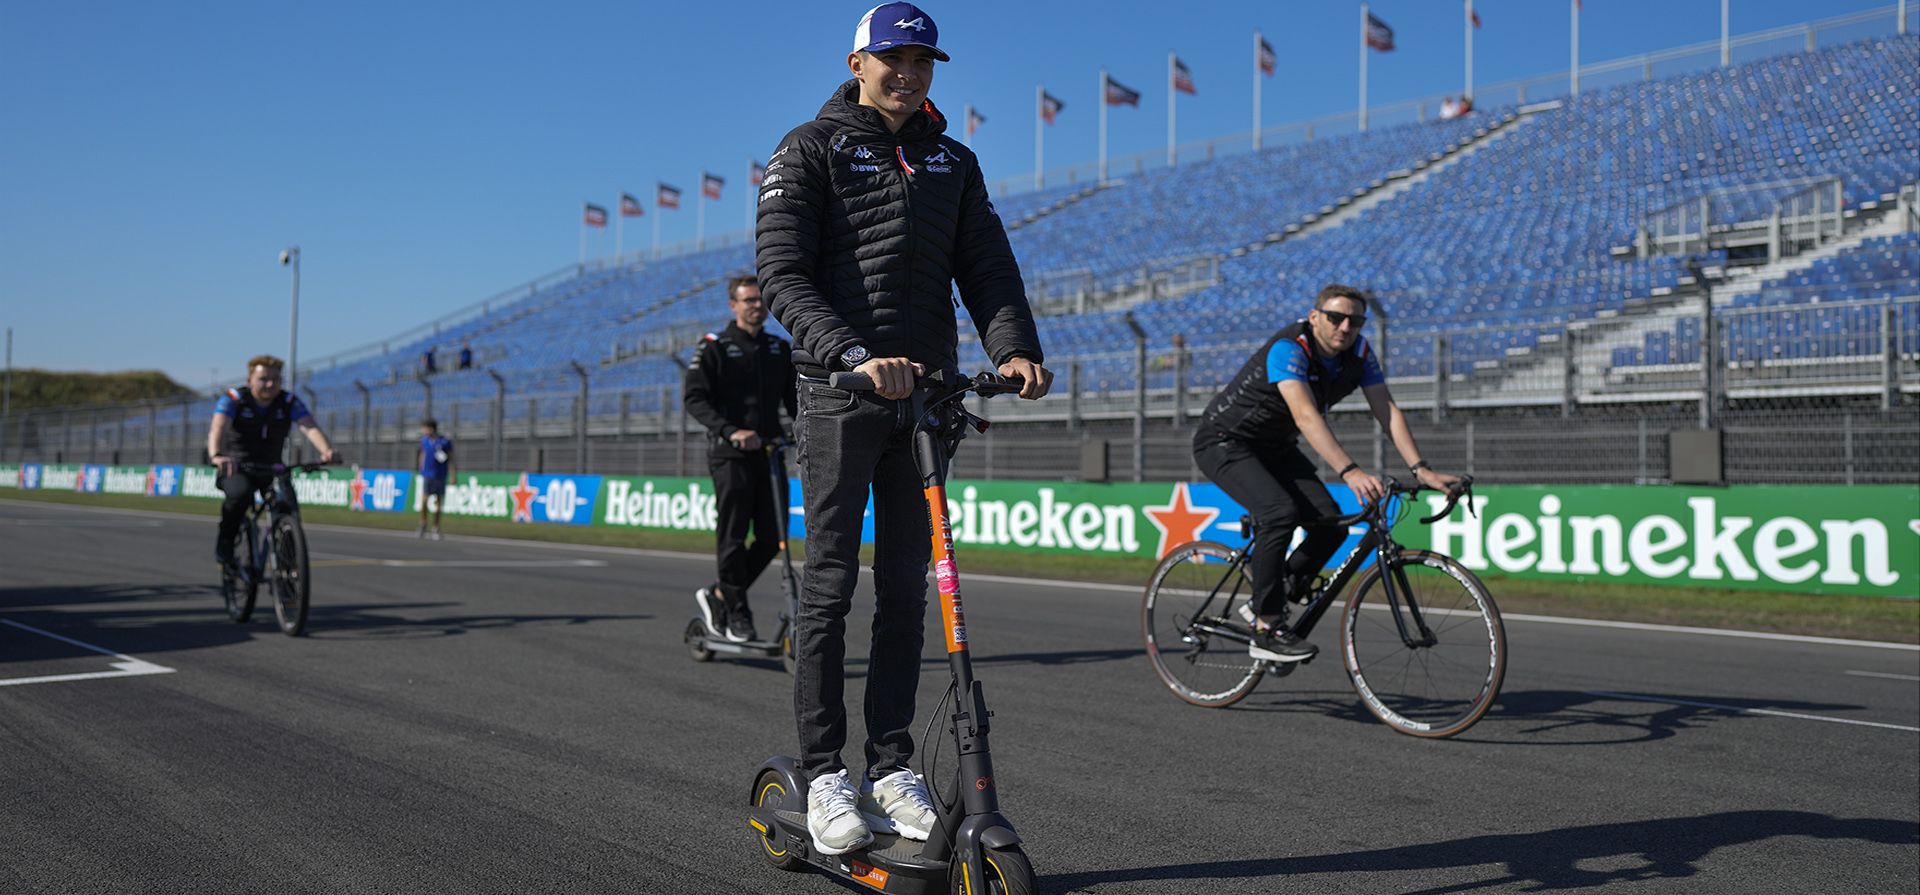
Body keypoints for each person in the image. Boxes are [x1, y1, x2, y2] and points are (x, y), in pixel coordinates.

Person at [756, 1, 1051, 857]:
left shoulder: (952, 160)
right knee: (832, 583)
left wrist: (1016, 347)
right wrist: (849, 350)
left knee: (907, 589)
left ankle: (890, 766)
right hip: (841, 395)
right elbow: (780, 272)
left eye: (922, 61)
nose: (908, 73)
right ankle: (823, 774)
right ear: (858, 63)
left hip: (925, 404)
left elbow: (987, 266)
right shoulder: (807, 148)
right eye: (892, 59)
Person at [1192, 284, 1461, 663]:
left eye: (1355, 320)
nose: (1345, 326)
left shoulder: (1361, 353)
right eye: (1336, 317)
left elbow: (1388, 412)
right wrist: (1349, 470)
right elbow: (1305, 416)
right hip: (1225, 442)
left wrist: (1422, 470)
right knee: (1278, 514)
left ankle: (1272, 594)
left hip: (1276, 447)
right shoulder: (1289, 348)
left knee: (1331, 524)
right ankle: (1266, 627)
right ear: (1315, 316)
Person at [682, 275, 797, 644]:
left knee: (770, 538)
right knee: (732, 536)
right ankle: (736, 610)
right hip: (729, 454)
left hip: (769, 453)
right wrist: (731, 430)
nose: (756, 306)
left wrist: (803, 430)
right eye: (748, 300)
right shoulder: (715, 346)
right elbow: (695, 399)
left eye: (760, 300)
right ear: (733, 304)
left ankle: (719, 593)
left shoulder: (779, 349)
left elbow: (795, 405)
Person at [207, 355, 340, 566]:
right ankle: (226, 542)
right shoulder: (234, 399)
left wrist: (327, 451)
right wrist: (216, 455)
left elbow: (309, 426)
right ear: (250, 379)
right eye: (263, 379)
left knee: (287, 506)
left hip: (272, 468)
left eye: (276, 380)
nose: (270, 384)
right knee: (239, 496)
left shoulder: (288, 402)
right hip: (238, 466)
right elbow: (218, 428)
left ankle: (288, 565)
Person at [415, 418, 454, 540]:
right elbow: (422, 454)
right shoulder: (424, 441)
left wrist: (453, 475)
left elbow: (451, 459)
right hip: (427, 475)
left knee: (438, 502)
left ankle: (435, 527)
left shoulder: (444, 442)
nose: (423, 431)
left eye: (425, 428)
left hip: (440, 475)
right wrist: (420, 468)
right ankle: (423, 523)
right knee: (424, 500)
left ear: (432, 428)